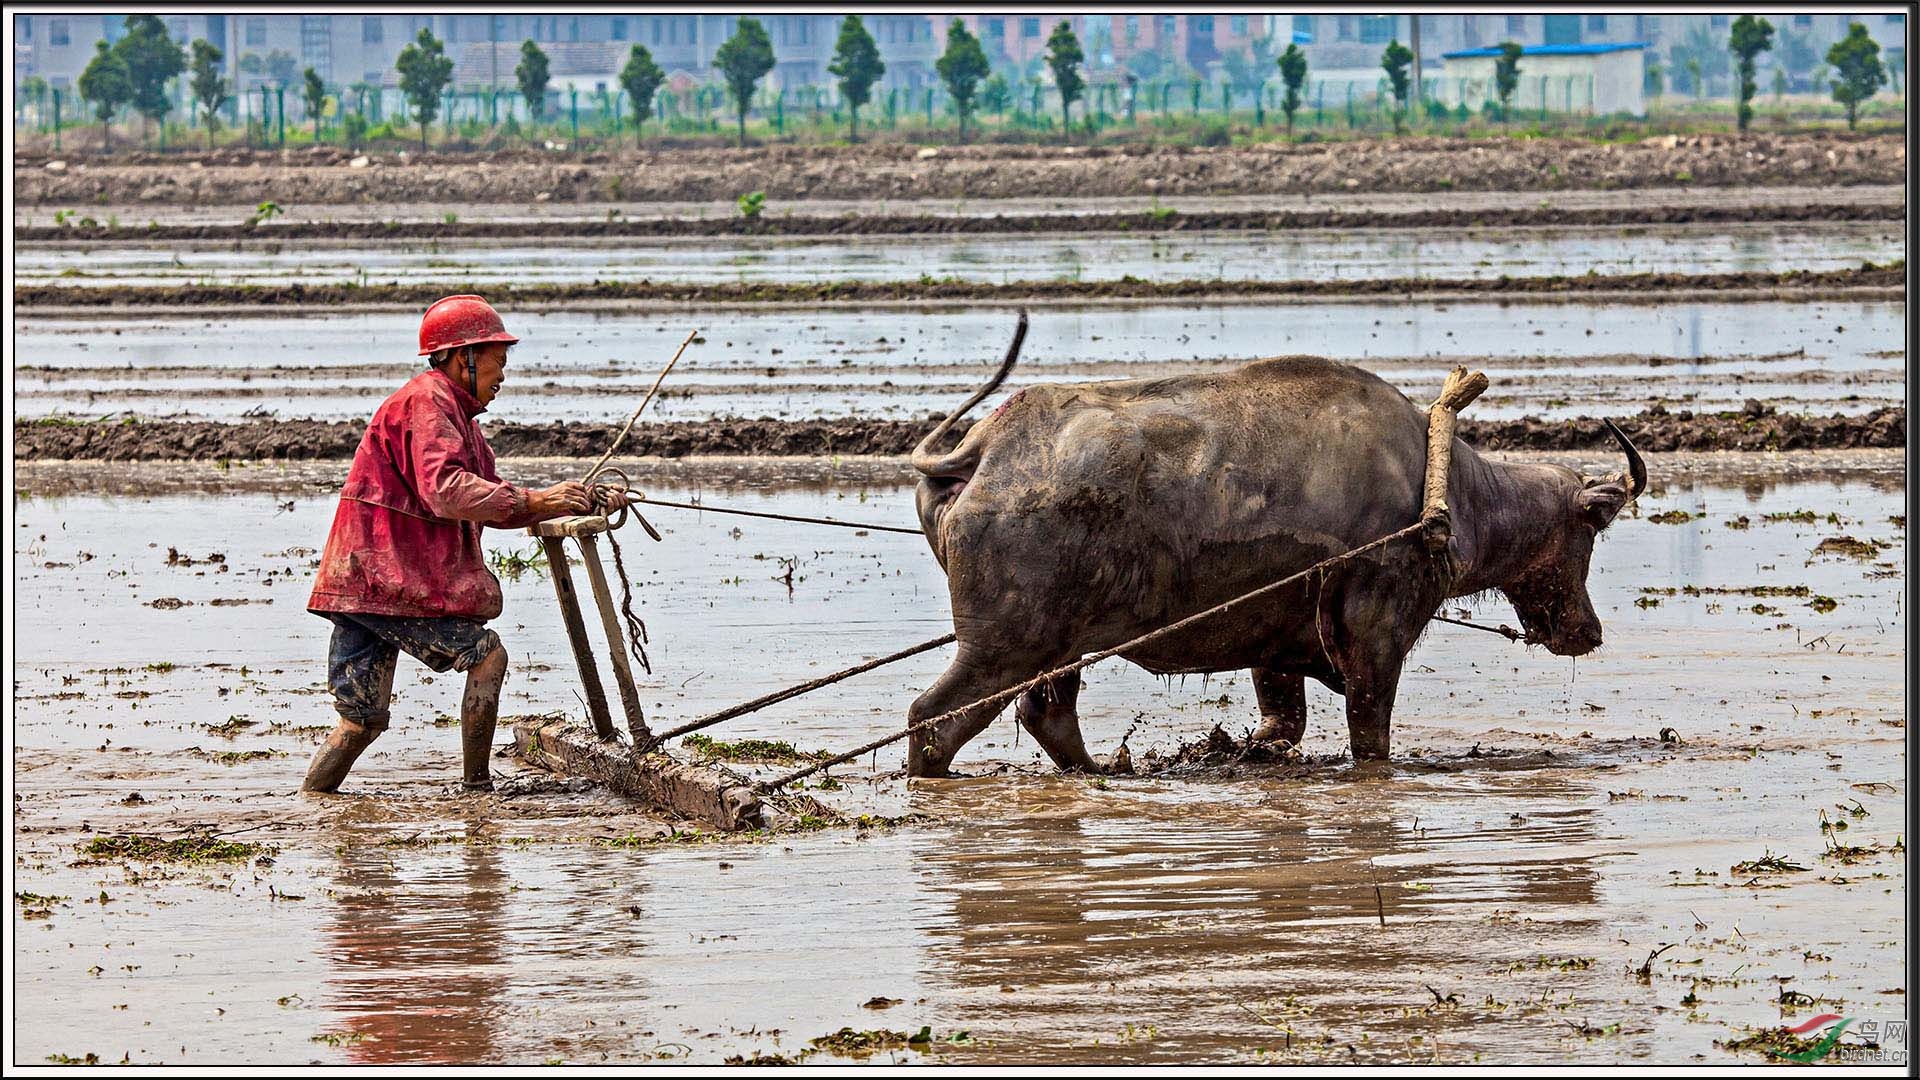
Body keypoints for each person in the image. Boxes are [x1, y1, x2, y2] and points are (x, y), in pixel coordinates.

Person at [303, 294, 625, 794]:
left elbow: (491, 500)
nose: (502, 378)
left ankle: (311, 809)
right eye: (497, 364)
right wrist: (539, 501)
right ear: (464, 357)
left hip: (363, 579)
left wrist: (575, 500)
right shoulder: (428, 404)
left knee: (359, 723)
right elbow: (448, 490)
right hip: (389, 578)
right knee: (486, 656)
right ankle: (477, 790)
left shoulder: (459, 423)